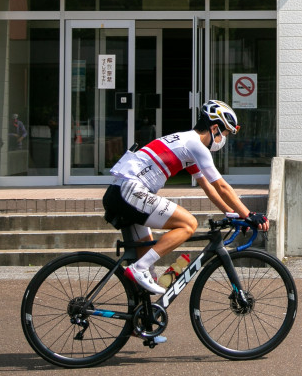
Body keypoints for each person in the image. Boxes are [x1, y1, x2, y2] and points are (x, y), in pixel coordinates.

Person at [101, 99, 268, 295]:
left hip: (122, 192)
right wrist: (249, 214)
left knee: (149, 275)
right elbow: (221, 186)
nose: (224, 139)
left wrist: (233, 214)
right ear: (214, 128)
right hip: (131, 192)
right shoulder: (195, 144)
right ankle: (138, 269)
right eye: (224, 134)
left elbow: (208, 187)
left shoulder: (185, 142)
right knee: (188, 224)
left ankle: (140, 318)